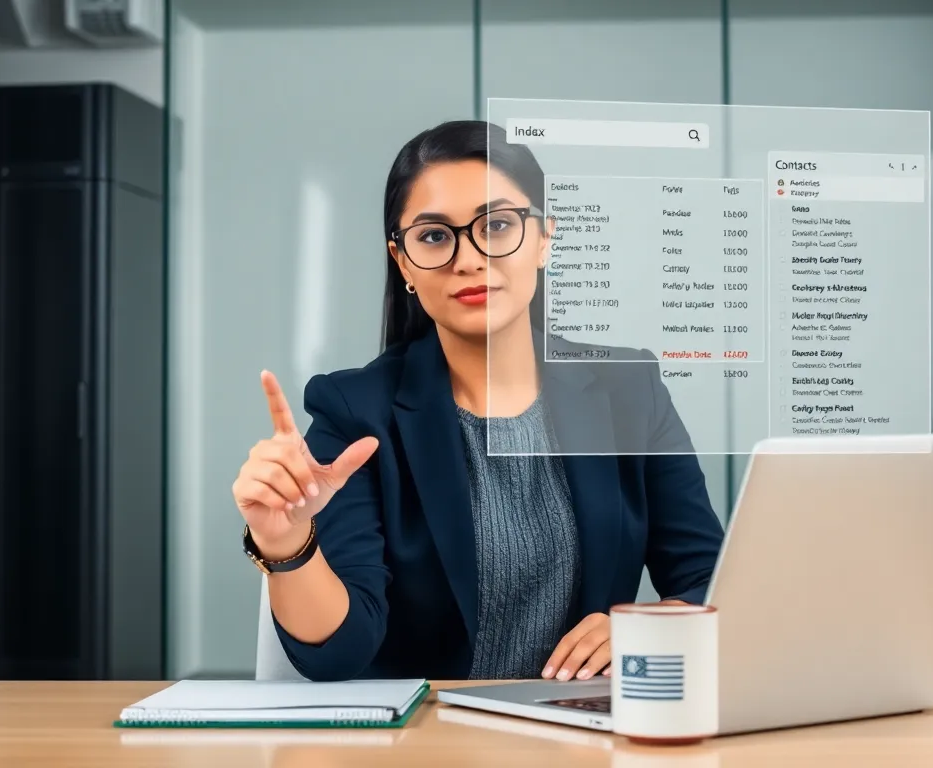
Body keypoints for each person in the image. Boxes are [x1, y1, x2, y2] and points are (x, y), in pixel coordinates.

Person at [232, 120, 724, 683]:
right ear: (403, 261)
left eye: (498, 225)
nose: (468, 258)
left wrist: (652, 627)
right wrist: (286, 543)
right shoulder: (355, 411)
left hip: (582, 719)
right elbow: (337, 655)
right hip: (431, 727)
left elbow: (709, 577)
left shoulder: (628, 389)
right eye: (434, 236)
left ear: (543, 239)